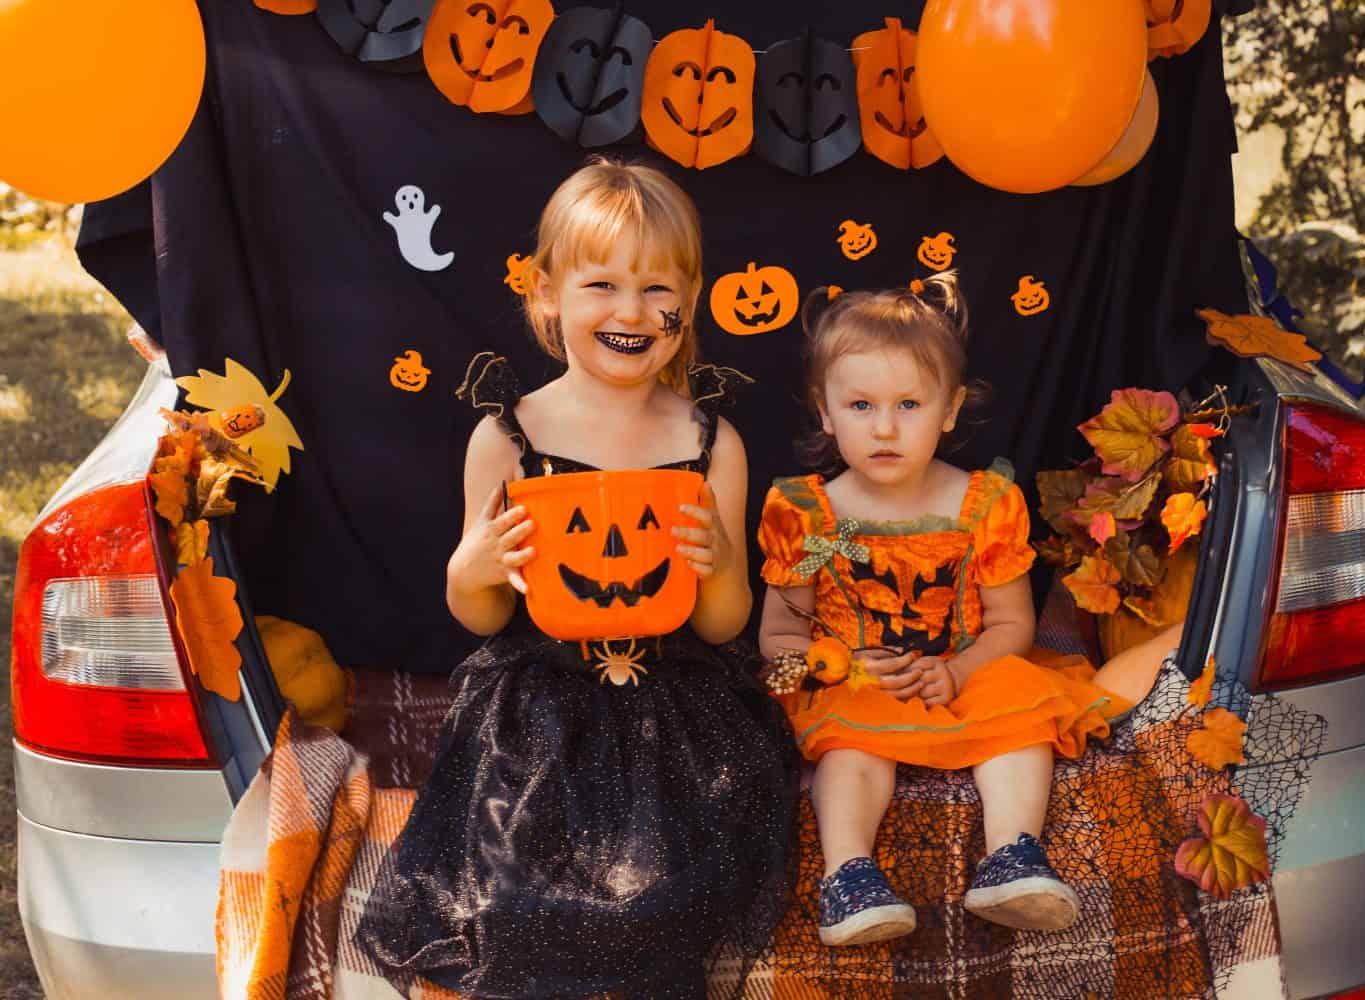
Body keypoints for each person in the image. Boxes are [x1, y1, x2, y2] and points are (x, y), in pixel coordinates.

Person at [357, 158, 800, 999]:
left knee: (674, 892)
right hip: (540, 703)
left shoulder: (712, 443)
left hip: (677, 700)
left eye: (656, 288)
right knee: (519, 894)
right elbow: (480, 615)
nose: (631, 312)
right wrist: (472, 566)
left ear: (689, 299)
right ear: (549, 294)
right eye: (602, 285)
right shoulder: (511, 437)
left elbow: (722, 624)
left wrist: (719, 566)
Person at [757, 273, 1181, 947]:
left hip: (966, 669)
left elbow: (1012, 624)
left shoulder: (980, 506)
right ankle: (849, 876)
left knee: (1020, 709)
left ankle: (1013, 856)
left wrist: (958, 671)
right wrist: (825, 664)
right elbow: (781, 627)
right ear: (825, 410)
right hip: (860, 684)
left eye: (909, 405)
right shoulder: (820, 521)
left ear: (949, 410)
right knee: (850, 742)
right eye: (861, 405)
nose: (886, 427)